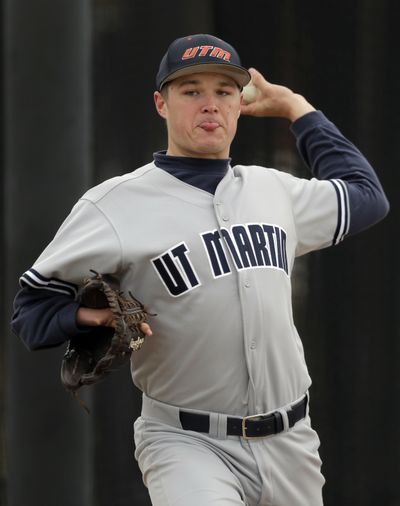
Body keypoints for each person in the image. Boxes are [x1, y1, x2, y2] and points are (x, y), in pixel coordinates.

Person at [11, 33, 389, 506]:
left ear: (239, 105)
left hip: (291, 440)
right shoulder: (113, 206)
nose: (209, 104)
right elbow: (31, 311)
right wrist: (85, 318)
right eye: (191, 91)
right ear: (161, 103)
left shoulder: (275, 191)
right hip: (186, 443)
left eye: (223, 91)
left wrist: (297, 108)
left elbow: (367, 197)